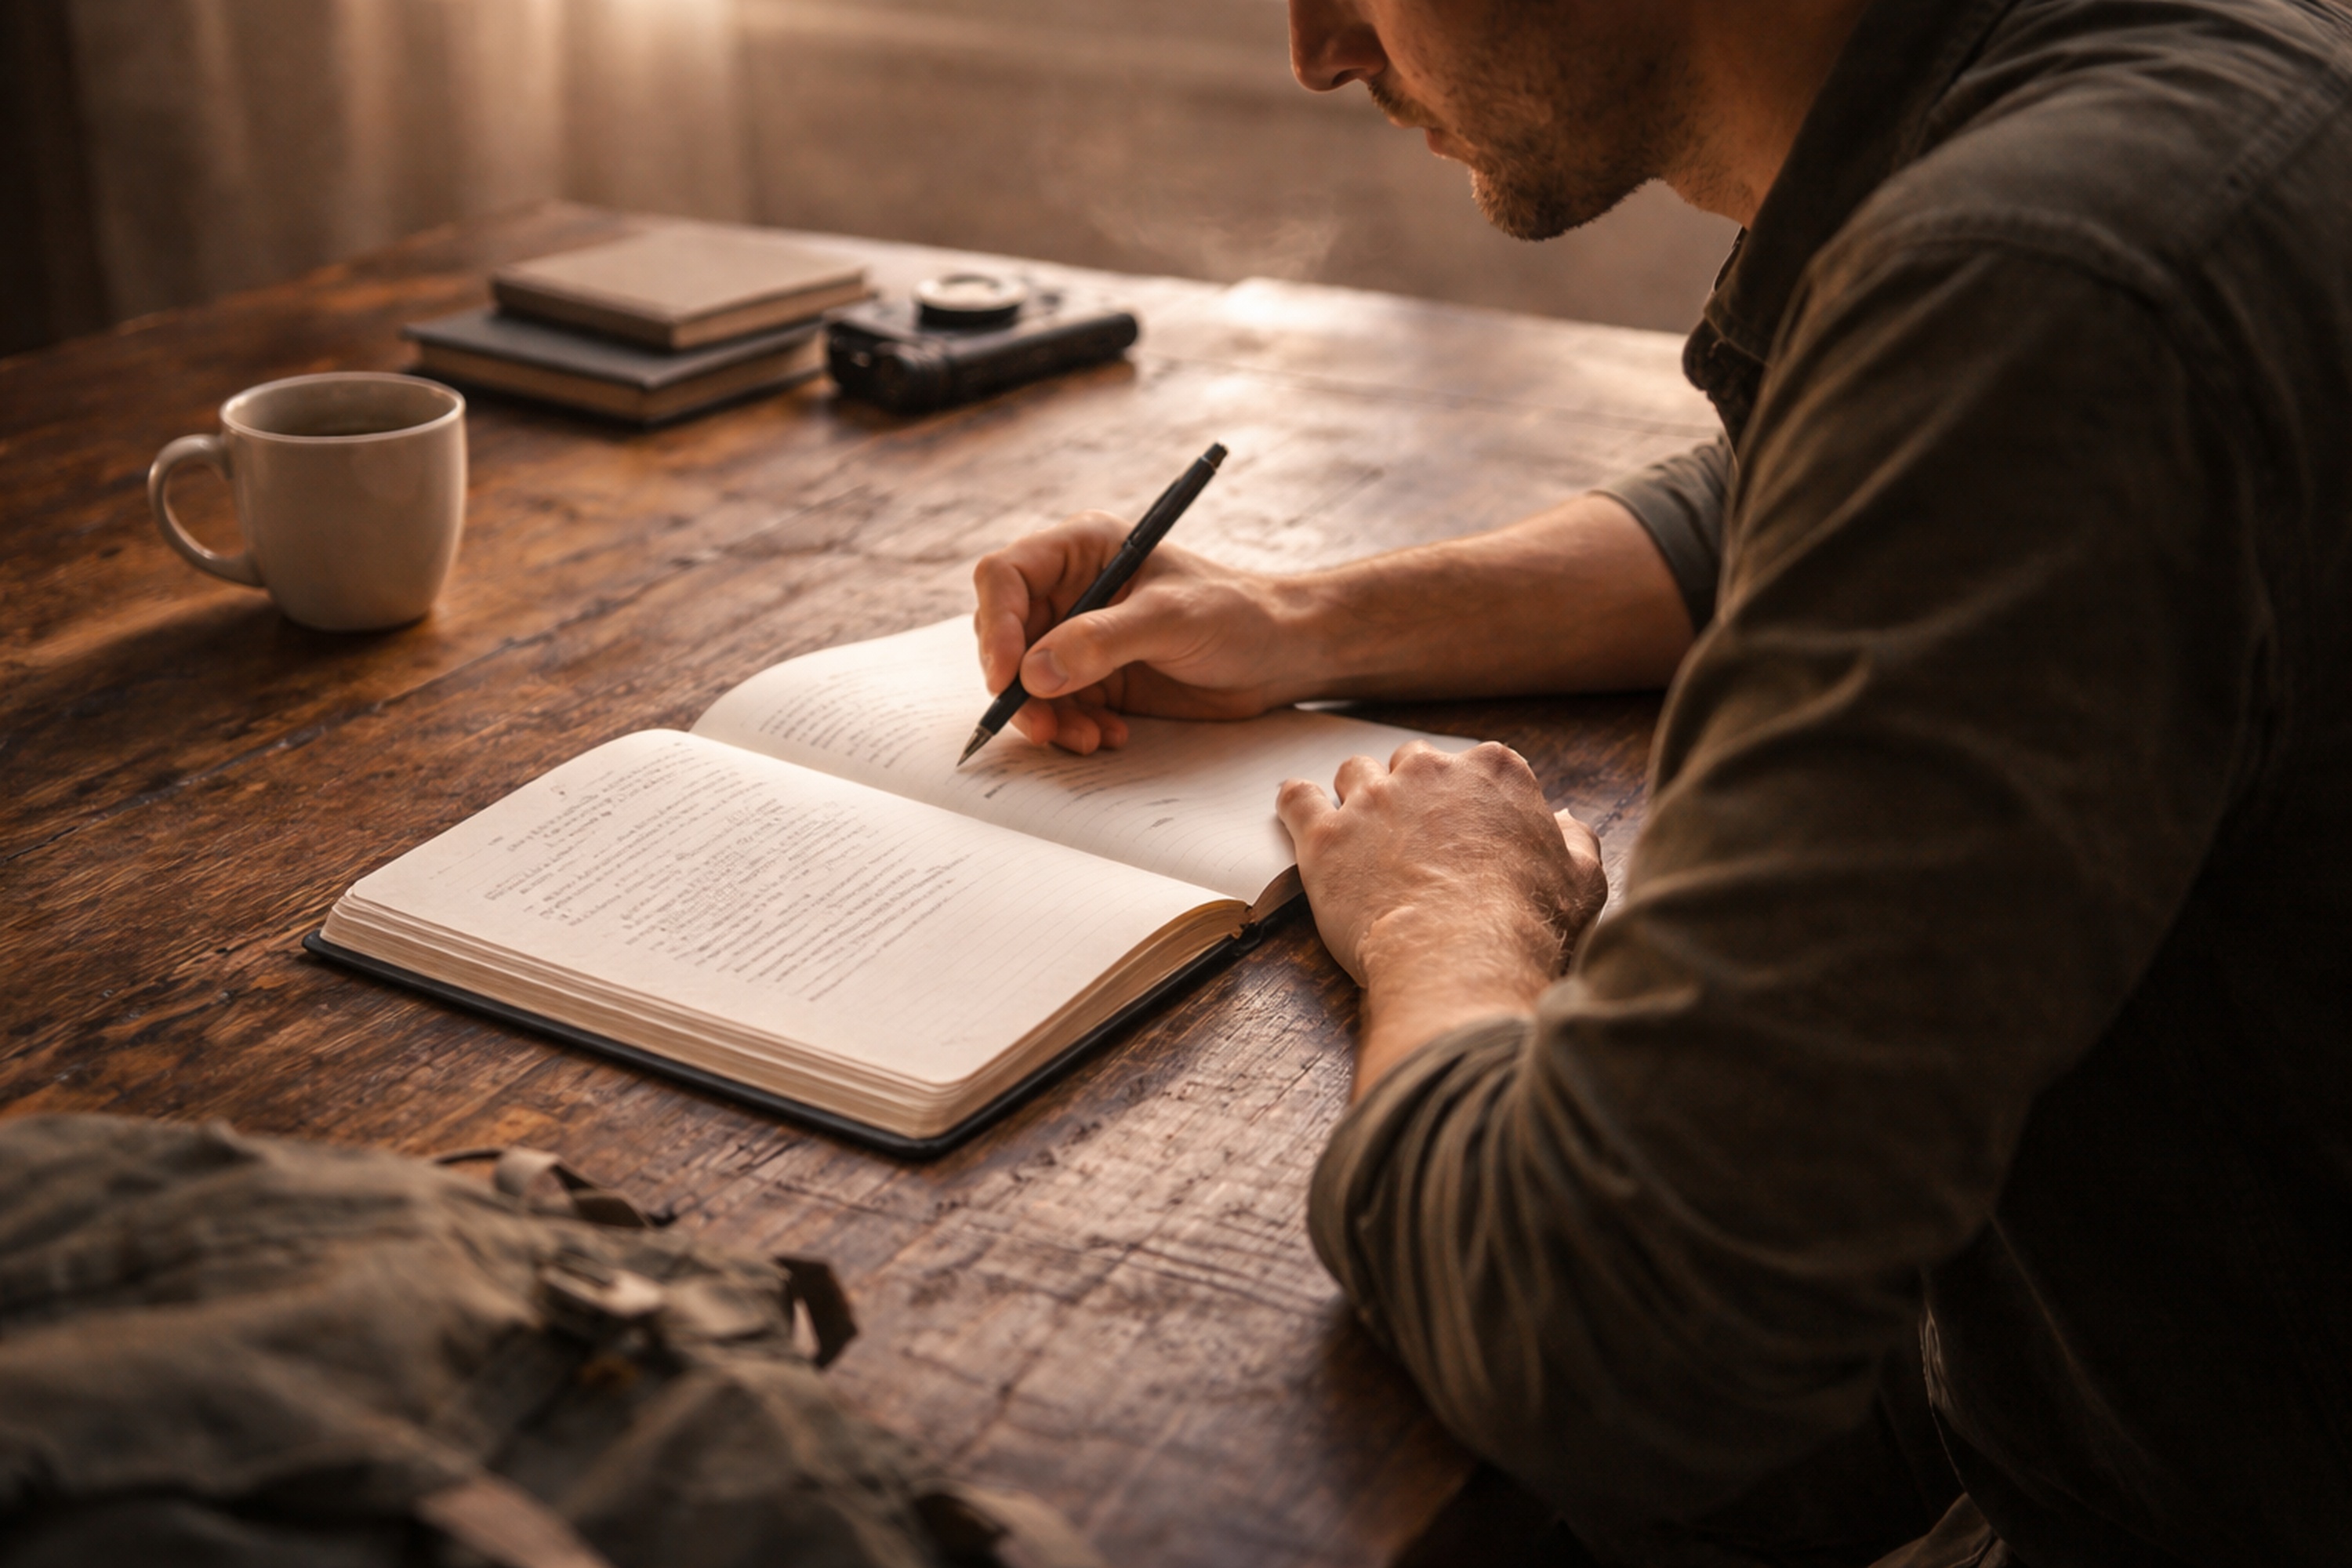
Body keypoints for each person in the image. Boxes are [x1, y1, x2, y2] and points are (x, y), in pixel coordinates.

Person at [971, 0, 2352, 1562]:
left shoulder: (2050, 288)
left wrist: (1450, 929)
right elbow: (1805, 487)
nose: (1320, 45)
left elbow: (1602, 1332)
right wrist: (1300, 621)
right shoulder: (2131, 93)